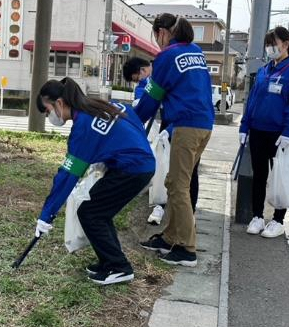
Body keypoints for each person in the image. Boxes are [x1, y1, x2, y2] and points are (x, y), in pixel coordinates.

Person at [34, 77, 155, 285]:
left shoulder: (83, 127)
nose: (49, 117)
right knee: (98, 210)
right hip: (138, 163)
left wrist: (46, 215)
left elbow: (68, 176)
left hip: (132, 169)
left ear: (59, 103)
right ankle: (110, 262)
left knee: (91, 213)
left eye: (47, 111)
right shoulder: (101, 105)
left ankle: (119, 267)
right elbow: (134, 119)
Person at [134, 14, 214, 267]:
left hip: (185, 126)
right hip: (203, 125)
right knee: (175, 182)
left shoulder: (167, 56)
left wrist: (132, 120)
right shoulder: (196, 51)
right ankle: (170, 237)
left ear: (162, 32)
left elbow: (151, 98)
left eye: (155, 35)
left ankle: (187, 249)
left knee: (178, 186)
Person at [240, 26, 289, 238]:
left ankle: (278, 220)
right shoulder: (264, 70)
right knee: (259, 176)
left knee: (280, 176)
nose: (270, 48)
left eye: (274, 44)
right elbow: (252, 101)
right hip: (258, 131)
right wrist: (244, 125)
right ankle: (258, 216)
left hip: (280, 134)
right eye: (267, 45)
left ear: (286, 44)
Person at [123, 57, 200, 225]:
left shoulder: (168, 71)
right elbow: (143, 101)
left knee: (189, 171)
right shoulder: (149, 81)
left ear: (143, 70)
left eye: (138, 78)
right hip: (168, 119)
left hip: (187, 123)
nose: (139, 82)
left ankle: (189, 213)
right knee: (165, 166)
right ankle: (161, 205)